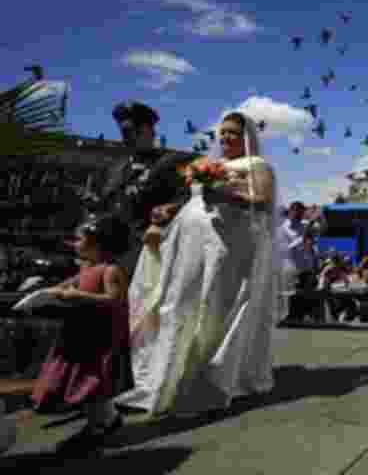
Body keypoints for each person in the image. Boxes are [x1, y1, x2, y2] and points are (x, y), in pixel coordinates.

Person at [116, 110, 279, 416]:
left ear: (246, 137)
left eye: (233, 132)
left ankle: (211, 376)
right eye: (223, 131)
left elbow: (263, 201)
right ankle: (168, 374)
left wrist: (225, 193)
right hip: (192, 245)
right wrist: (169, 211)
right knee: (179, 301)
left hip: (228, 248)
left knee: (215, 305)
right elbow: (193, 200)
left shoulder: (257, 165)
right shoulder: (208, 164)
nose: (226, 137)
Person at [31, 214, 133, 455]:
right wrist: (46, 292)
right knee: (82, 382)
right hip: (81, 334)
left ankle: (101, 426)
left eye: (79, 239)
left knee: (91, 381)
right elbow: (67, 285)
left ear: (98, 243)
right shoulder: (87, 268)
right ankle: (104, 421)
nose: (75, 244)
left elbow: (114, 299)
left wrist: (78, 296)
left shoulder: (110, 270)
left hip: (98, 338)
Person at [87, 101, 195, 280]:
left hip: (148, 256)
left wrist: (169, 210)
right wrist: (96, 204)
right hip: (110, 258)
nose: (126, 137)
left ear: (149, 131)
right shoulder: (115, 169)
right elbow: (110, 206)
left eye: (131, 131)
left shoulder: (170, 163)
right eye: (123, 132)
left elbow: (189, 197)